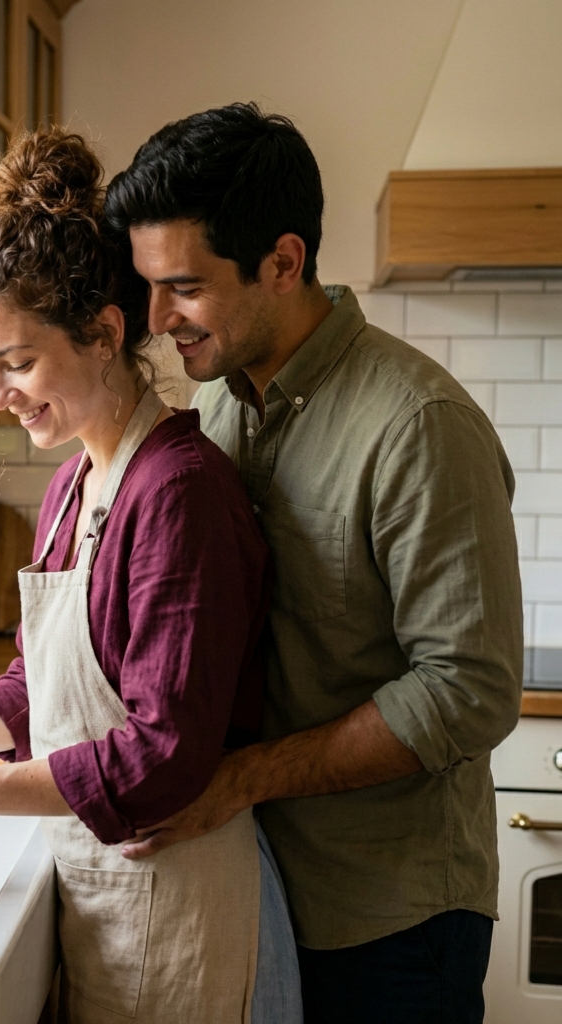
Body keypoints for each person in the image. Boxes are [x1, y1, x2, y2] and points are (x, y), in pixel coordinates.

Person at [0, 128, 301, 1022]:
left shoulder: (181, 495)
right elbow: (43, 687)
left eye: (18, 362)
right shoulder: (78, 482)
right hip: (116, 905)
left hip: (190, 911)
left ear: (105, 333)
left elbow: (165, 754)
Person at [104, 103, 524, 1024]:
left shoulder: (418, 425)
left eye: (183, 286)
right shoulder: (216, 414)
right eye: (147, 286)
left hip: (392, 919)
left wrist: (243, 779)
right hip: (256, 887)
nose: (156, 317)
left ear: (284, 262)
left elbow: (470, 688)